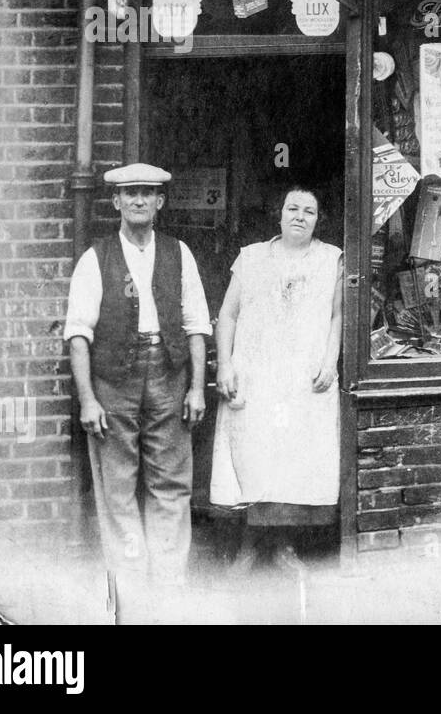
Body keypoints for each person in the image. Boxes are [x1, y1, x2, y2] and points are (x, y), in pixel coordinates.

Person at [63, 164, 211, 590]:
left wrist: (197, 388)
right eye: (130, 194)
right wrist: (89, 399)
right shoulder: (97, 258)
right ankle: (128, 579)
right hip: (113, 379)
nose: (139, 201)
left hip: (168, 373)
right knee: (117, 483)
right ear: (116, 202)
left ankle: (168, 580)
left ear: (160, 201)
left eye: (147, 193)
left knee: (171, 481)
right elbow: (78, 334)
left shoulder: (178, 253)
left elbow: (196, 324)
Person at [210, 186, 344, 572]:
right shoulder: (251, 258)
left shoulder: (331, 259)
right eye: (292, 208)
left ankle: (284, 546)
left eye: (309, 211)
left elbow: (337, 316)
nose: (300, 216)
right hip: (257, 375)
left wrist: (330, 360)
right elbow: (229, 315)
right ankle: (251, 545)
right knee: (254, 458)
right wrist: (225, 365)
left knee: (293, 462)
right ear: (279, 213)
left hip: (302, 377)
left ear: (320, 219)